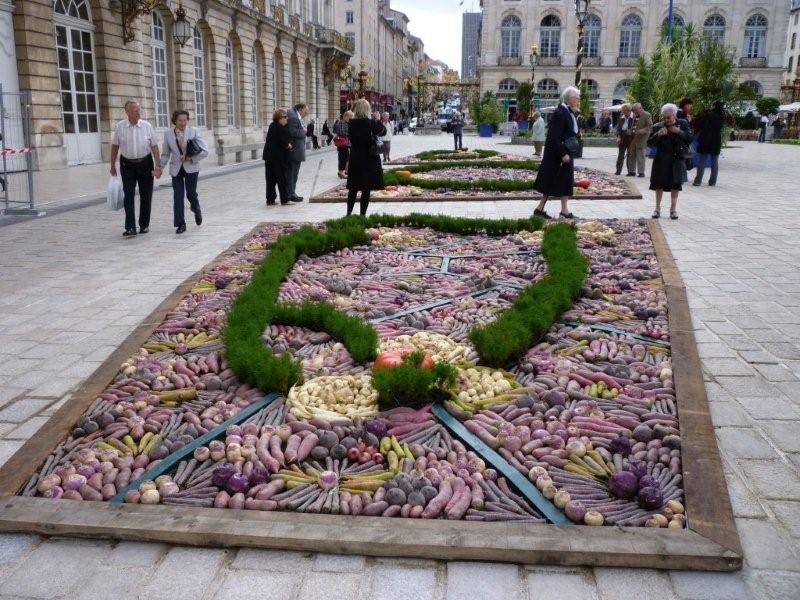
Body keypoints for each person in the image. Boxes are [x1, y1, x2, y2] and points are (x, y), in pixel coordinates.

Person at [110, 100, 161, 237]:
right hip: (127, 165)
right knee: (128, 196)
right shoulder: (120, 127)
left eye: (139, 110)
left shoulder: (146, 126)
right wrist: (112, 165)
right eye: (135, 110)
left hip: (145, 163)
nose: (139, 112)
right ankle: (130, 227)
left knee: (146, 195)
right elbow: (115, 146)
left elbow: (154, 146)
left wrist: (157, 165)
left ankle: (144, 225)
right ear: (127, 112)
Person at [532, 86, 581, 220]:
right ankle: (558, 211)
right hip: (558, 155)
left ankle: (543, 209)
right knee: (556, 181)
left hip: (563, 153)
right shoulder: (561, 113)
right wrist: (563, 154)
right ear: (570, 98)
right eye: (577, 98)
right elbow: (553, 136)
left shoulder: (567, 111)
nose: (578, 100)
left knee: (560, 182)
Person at [160, 109, 208, 234]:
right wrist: (159, 168)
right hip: (176, 169)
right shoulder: (168, 134)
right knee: (178, 196)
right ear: (175, 121)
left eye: (185, 120)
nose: (183, 123)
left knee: (191, 194)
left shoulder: (194, 132)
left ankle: (195, 207)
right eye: (180, 120)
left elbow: (205, 151)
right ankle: (180, 224)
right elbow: (165, 154)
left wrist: (190, 157)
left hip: (191, 167)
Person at [648, 103, 692, 220]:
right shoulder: (658, 126)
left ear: (674, 116)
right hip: (661, 160)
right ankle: (657, 209)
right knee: (658, 185)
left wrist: (678, 131)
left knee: (675, 185)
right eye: (664, 117)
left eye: (669, 118)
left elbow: (690, 138)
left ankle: (673, 209)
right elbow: (649, 143)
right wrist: (658, 135)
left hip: (677, 159)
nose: (666, 120)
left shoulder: (682, 124)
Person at [345, 98, 386, 216]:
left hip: (356, 158)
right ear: (367, 109)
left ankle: (349, 213)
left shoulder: (351, 123)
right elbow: (381, 131)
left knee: (353, 188)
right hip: (369, 158)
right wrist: (378, 120)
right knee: (366, 189)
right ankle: (362, 215)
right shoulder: (370, 122)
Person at [262, 109, 293, 206]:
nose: (287, 118)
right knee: (282, 179)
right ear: (279, 118)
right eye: (284, 117)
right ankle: (285, 199)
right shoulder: (281, 128)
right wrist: (289, 146)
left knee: (270, 179)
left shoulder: (272, 126)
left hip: (269, 157)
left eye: (287, 116)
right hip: (278, 158)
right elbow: (285, 142)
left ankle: (270, 200)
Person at [693, 100, 724, 187]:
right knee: (715, 162)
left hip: (705, 140)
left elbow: (700, 124)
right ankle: (712, 181)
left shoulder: (708, 115)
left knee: (702, 161)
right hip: (716, 140)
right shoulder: (721, 116)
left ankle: (698, 180)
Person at [286, 102, 309, 202]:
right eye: (306, 111)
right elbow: (292, 132)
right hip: (294, 150)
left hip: (294, 150)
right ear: (301, 108)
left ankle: (291, 193)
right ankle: (291, 194)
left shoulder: (293, 114)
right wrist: (303, 131)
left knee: (292, 173)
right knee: (293, 173)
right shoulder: (294, 117)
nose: (306, 113)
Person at [628, 103, 653, 178]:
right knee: (631, 155)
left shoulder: (647, 115)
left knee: (640, 156)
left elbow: (650, 126)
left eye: (636, 110)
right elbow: (634, 125)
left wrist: (642, 130)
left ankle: (641, 172)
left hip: (641, 139)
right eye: (634, 110)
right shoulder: (635, 115)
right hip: (633, 138)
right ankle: (631, 171)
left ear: (640, 108)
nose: (634, 112)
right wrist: (630, 131)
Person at [614, 104, 634, 175]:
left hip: (631, 138)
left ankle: (630, 171)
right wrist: (618, 136)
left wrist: (631, 131)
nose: (624, 113)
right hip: (622, 137)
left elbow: (636, 128)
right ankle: (618, 170)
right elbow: (618, 129)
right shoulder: (621, 118)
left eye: (625, 111)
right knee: (620, 155)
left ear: (629, 110)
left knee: (629, 155)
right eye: (623, 111)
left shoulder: (634, 117)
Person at [333, 111, 353, 179]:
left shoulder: (347, 122)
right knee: (343, 158)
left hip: (346, 143)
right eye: (350, 118)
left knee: (347, 157)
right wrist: (351, 132)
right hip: (342, 143)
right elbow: (342, 132)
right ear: (346, 116)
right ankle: (341, 172)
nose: (351, 119)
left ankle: (346, 171)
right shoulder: (341, 122)